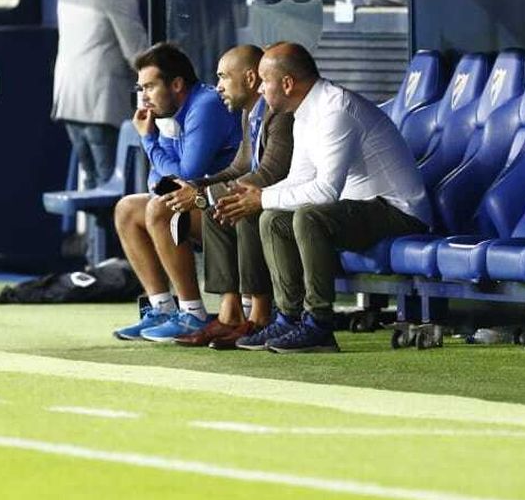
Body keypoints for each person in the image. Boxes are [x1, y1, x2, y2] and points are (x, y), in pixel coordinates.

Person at [221, 43, 431, 355]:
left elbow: (325, 191)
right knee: (273, 218)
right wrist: (261, 198)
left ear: (288, 83)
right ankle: (289, 318)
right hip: (358, 209)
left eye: (265, 81)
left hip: (399, 212)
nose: (261, 90)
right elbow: (300, 179)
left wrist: (263, 197)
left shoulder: (335, 110)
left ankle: (319, 324)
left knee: (309, 216)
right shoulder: (304, 110)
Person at [110, 42, 241, 342]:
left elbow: (187, 174)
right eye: (140, 88)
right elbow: (162, 182)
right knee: (128, 209)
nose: (143, 97)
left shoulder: (205, 106)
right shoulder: (169, 113)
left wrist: (148, 140)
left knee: (160, 208)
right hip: (204, 203)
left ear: (177, 84)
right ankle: (162, 309)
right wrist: (157, 137)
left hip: (234, 207)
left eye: (150, 87)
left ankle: (192, 314)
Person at [172, 45, 296, 349]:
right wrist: (195, 186)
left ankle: (261, 315)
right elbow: (239, 168)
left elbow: (269, 174)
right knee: (219, 207)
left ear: (251, 78)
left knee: (239, 208)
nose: (218, 87)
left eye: (224, 77)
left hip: (289, 202)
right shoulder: (248, 114)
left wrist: (202, 194)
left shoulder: (279, 114)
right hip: (266, 197)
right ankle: (229, 313)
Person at [51, 0, 149, 187]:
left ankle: (99, 230)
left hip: (68, 99)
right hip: (100, 104)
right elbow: (138, 53)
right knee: (110, 185)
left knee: (93, 183)